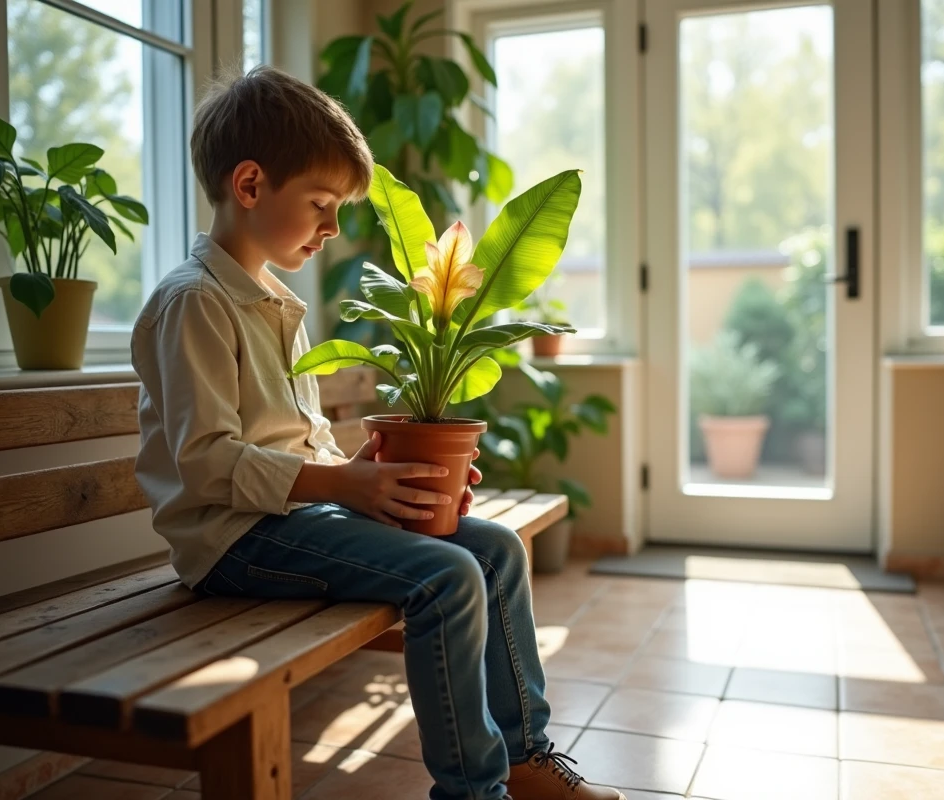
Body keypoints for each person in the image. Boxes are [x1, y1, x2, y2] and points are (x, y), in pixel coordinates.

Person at [130, 65, 625, 800]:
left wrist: (366, 470)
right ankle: (472, 791)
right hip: (232, 542)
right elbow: (205, 464)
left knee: (491, 549)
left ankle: (524, 755)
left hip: (293, 515)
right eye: (321, 205)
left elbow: (295, 445)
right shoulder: (194, 303)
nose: (333, 228)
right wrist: (340, 484)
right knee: (447, 577)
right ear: (250, 185)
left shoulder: (273, 299)